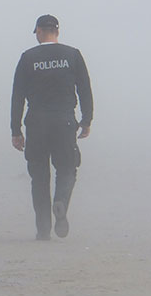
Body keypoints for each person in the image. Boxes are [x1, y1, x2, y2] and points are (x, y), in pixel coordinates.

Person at [10, 14, 93, 240]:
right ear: (57, 31)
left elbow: (17, 96)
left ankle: (43, 229)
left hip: (36, 123)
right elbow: (84, 89)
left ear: (38, 30)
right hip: (64, 122)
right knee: (67, 169)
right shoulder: (72, 55)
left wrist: (15, 130)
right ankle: (61, 201)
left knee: (39, 176)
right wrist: (86, 120)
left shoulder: (28, 58)